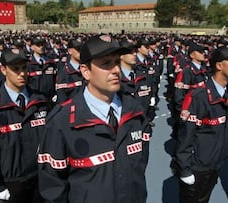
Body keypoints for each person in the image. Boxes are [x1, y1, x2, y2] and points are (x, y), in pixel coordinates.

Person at [38, 34, 152, 203]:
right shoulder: (62, 122)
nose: (116, 70)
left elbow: (139, 166)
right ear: (86, 71)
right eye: (106, 64)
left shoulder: (134, 111)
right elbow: (53, 188)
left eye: (116, 62)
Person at [0, 48, 49, 203]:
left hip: (41, 176)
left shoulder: (41, 101)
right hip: (13, 181)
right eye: (15, 69)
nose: (22, 73)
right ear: (3, 70)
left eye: (24, 68)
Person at [175, 46, 228, 203]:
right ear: (219, 65)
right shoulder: (199, 96)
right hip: (198, 167)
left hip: (216, 163)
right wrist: (185, 170)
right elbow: (185, 136)